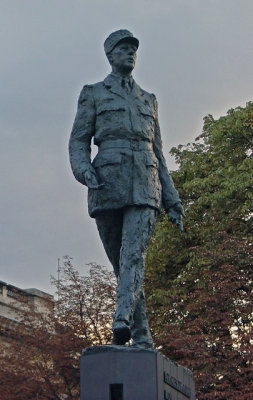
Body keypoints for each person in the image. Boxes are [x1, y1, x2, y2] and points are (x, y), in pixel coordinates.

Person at [69, 29, 184, 349]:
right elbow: (78, 141)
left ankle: (121, 318)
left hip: (146, 185)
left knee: (133, 255)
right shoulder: (92, 93)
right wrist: (84, 171)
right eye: (124, 49)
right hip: (107, 183)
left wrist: (171, 199)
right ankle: (143, 336)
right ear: (110, 55)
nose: (131, 53)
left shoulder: (149, 100)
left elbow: (159, 152)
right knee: (123, 265)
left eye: (134, 49)